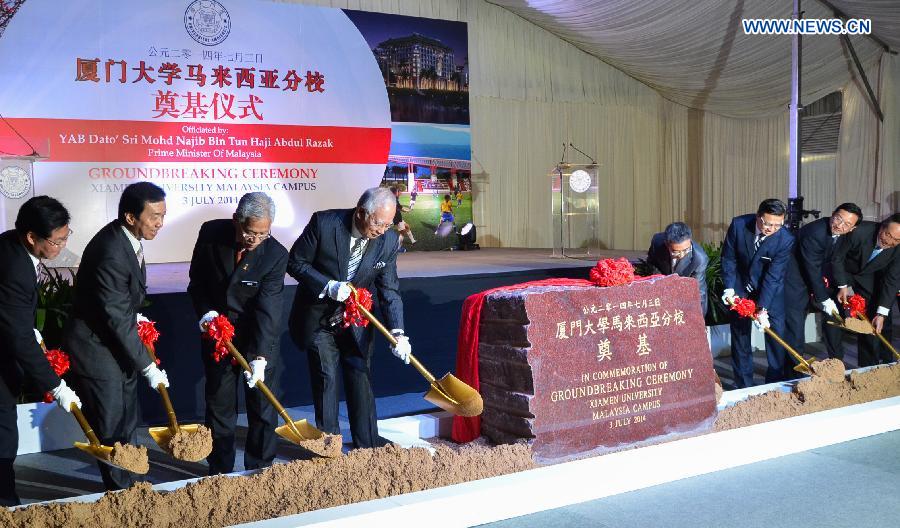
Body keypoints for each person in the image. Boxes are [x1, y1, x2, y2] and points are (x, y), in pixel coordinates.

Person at [287, 187, 411, 449]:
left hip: (356, 319)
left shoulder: (387, 241)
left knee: (360, 374)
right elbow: (295, 262)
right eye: (378, 223)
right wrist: (328, 285)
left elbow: (389, 289)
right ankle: (329, 445)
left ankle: (367, 444)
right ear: (361, 212)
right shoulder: (325, 224)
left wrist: (398, 332)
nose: (382, 230)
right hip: (318, 316)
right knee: (327, 377)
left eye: (388, 225)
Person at [64, 182, 169, 490]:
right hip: (95, 347)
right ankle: (120, 496)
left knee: (127, 420)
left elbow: (123, 304)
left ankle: (133, 485)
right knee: (111, 425)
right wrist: (148, 366)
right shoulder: (110, 249)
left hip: (116, 342)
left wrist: (135, 315)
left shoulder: (128, 239)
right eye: (154, 217)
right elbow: (114, 316)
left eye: (163, 215)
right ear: (130, 216)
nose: (160, 223)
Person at [187, 192, 288, 475]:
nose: (254, 239)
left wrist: (260, 357)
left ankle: (261, 469)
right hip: (218, 335)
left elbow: (268, 309)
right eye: (249, 232)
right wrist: (206, 313)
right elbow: (197, 282)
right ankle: (220, 470)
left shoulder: (276, 254)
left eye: (262, 233)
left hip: (257, 336)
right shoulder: (210, 234)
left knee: (262, 407)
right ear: (236, 221)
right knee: (219, 405)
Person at [0, 197, 81, 506]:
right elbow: (18, 340)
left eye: (65, 237)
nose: (60, 246)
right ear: (32, 236)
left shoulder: (11, 243)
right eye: (55, 241)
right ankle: (5, 502)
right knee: (4, 431)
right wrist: (56, 386)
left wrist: (23, 323)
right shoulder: (15, 268)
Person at [721, 199, 795, 388]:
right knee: (740, 337)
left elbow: (773, 276)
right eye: (768, 223)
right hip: (740, 288)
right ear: (758, 217)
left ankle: (774, 383)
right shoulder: (739, 225)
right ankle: (744, 384)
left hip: (770, 291)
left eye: (778, 224)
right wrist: (730, 287)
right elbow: (729, 258)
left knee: (775, 335)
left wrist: (762, 309)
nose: (772, 228)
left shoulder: (785, 239)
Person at [783, 203, 862, 365]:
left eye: (847, 224)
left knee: (834, 316)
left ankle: (836, 362)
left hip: (818, 276)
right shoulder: (815, 232)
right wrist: (824, 299)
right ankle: (793, 371)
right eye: (838, 219)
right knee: (796, 327)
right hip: (794, 280)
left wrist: (842, 286)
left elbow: (835, 259)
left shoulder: (844, 234)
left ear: (852, 228)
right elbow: (811, 267)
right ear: (832, 214)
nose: (840, 225)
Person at [832, 213, 900, 367]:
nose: (889, 241)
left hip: (867, 278)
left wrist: (881, 314)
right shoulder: (860, 232)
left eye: (896, 240)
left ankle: (875, 367)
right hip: (841, 274)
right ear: (882, 226)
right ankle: (846, 367)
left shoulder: (897, 247)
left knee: (872, 320)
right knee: (836, 324)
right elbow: (837, 258)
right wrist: (843, 285)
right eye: (888, 235)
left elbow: (892, 280)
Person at [646, 222, 709, 316]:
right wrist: (660, 282)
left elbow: (699, 291)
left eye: (686, 250)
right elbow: (652, 262)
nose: (682, 255)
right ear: (667, 245)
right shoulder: (657, 241)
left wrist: (699, 319)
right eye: (676, 252)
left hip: (684, 293)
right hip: (660, 288)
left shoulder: (699, 259)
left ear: (690, 240)